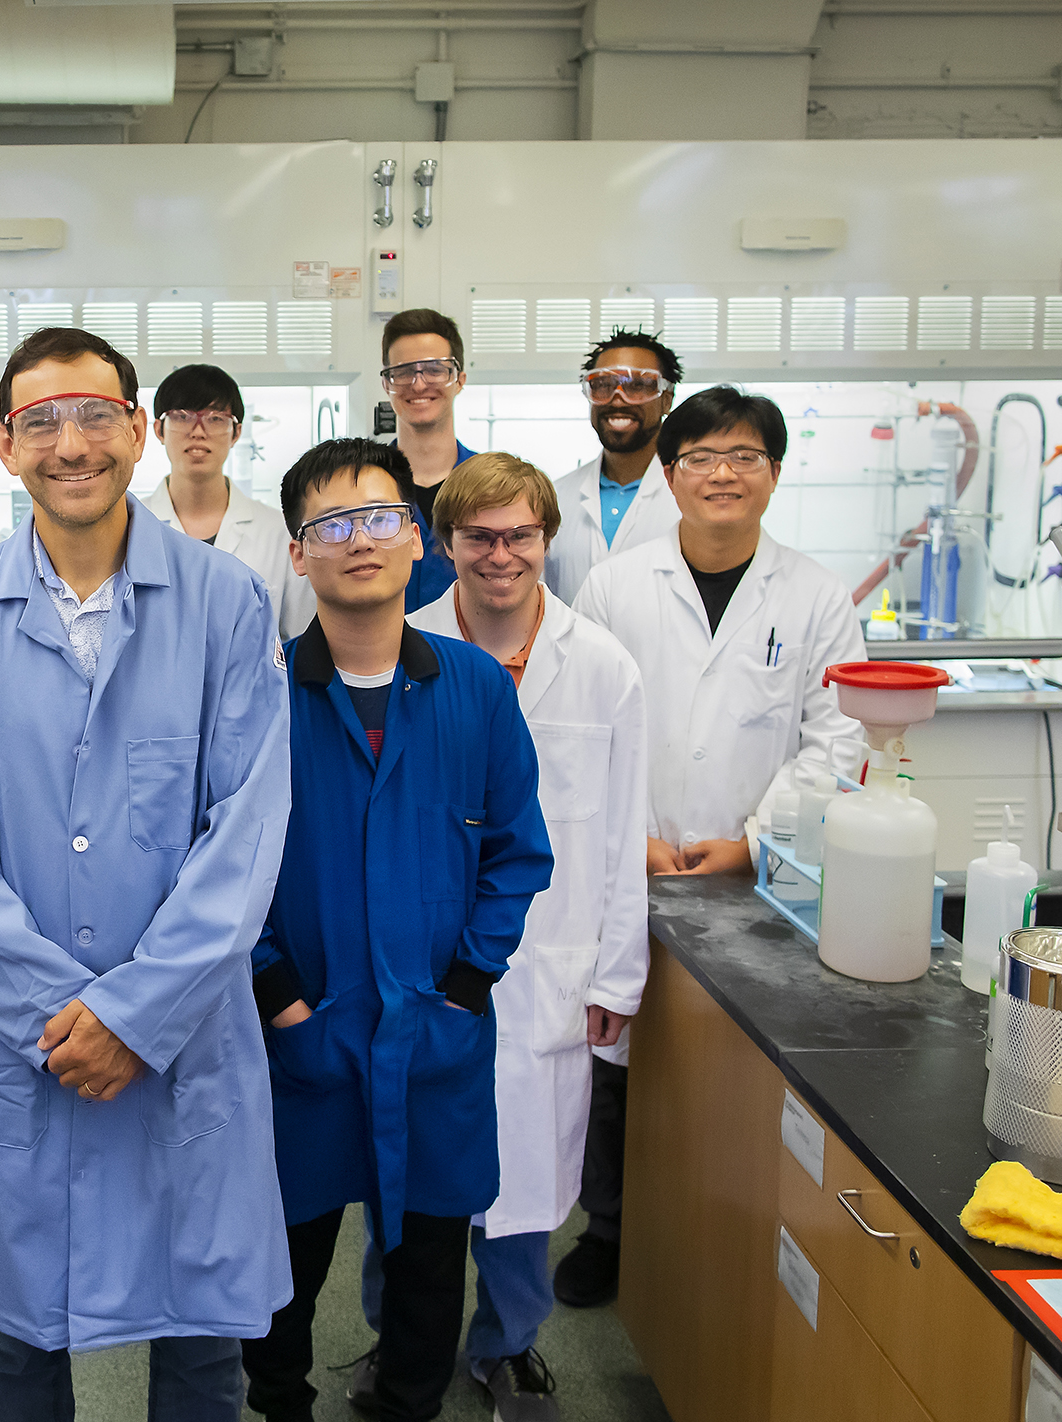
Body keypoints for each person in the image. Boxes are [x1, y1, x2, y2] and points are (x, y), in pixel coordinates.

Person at [0, 327, 294, 1420]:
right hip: (23, 1053)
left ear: (134, 427)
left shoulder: (221, 604)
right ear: (5, 444)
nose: (69, 444)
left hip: (181, 1049)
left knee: (201, 1355)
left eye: (92, 415)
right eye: (39, 422)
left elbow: (246, 834)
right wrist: (58, 1013)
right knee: (20, 1351)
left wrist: (135, 1013)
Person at [239, 438, 552, 1422]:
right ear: (299, 554)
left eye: (378, 517)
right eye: (329, 525)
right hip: (306, 1032)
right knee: (276, 1274)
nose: (358, 540)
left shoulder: (473, 688)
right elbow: (211, 870)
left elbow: (515, 852)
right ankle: (279, 1407)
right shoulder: (256, 698)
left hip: (434, 1033)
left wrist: (467, 985)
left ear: (415, 539)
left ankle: (405, 1407)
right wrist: (274, 993)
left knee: (426, 1275)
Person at [563, 386, 864, 1308]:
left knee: (729, 1067)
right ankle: (609, 1229)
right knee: (614, 1051)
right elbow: (578, 721)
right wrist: (629, 841)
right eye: (701, 457)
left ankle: (716, 1236)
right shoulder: (618, 581)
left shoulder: (814, 595)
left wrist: (754, 842)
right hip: (631, 865)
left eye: (744, 457)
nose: (723, 474)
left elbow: (837, 735)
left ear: (774, 472)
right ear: (670, 473)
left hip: (754, 883)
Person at [408, 453, 649, 1421]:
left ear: (547, 541)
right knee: (411, 1185)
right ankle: (400, 1345)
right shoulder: (405, 648)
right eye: (478, 537)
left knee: (522, 1184)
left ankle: (508, 1348)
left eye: (519, 536)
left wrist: (616, 978)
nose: (500, 555)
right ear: (444, 545)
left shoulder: (601, 667)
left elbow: (621, 827)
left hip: (551, 963)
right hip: (425, 964)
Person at [141, 362, 316, 638]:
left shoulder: (278, 533)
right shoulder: (132, 527)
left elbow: (297, 640)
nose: (198, 431)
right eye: (182, 416)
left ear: (236, 433)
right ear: (159, 430)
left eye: (215, 418)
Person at [544, 331, 685, 603]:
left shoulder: (690, 497)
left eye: (638, 385)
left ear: (667, 398)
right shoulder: (555, 497)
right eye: (603, 384)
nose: (618, 398)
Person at [379, 309, 477, 612]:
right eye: (404, 371)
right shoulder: (364, 487)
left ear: (459, 380)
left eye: (435, 369)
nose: (419, 385)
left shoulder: (490, 486)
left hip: (470, 657)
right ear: (387, 384)